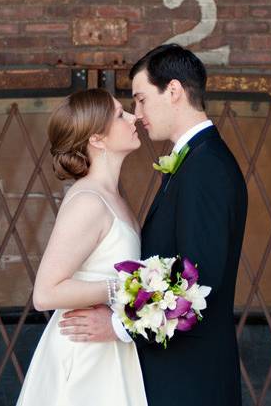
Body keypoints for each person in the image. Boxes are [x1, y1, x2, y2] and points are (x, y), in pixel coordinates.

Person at [60, 44, 248, 406]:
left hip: (190, 381)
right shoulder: (194, 161)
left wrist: (118, 326)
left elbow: (199, 281)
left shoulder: (206, 167)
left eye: (142, 99)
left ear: (173, 91)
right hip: (176, 376)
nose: (138, 113)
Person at [15, 88, 147, 406]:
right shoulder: (88, 201)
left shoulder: (112, 198)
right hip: (85, 355)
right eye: (119, 114)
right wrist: (129, 288)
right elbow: (46, 293)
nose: (133, 117)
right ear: (97, 139)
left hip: (108, 347)